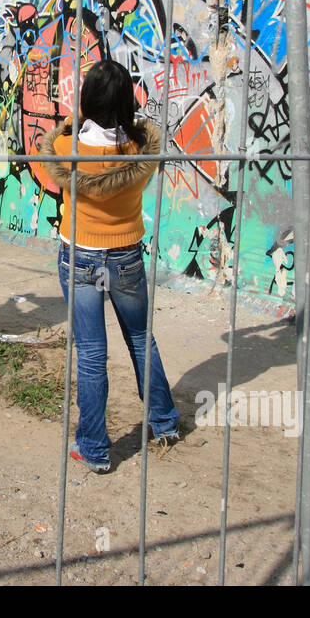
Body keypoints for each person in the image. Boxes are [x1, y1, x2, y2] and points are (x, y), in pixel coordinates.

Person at [40, 59, 180, 473]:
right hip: (126, 254)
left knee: (91, 352)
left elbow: (55, 137)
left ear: (85, 100)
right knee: (141, 339)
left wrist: (78, 115)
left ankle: (95, 448)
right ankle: (164, 422)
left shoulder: (69, 149)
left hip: (80, 253)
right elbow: (150, 131)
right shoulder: (139, 149)